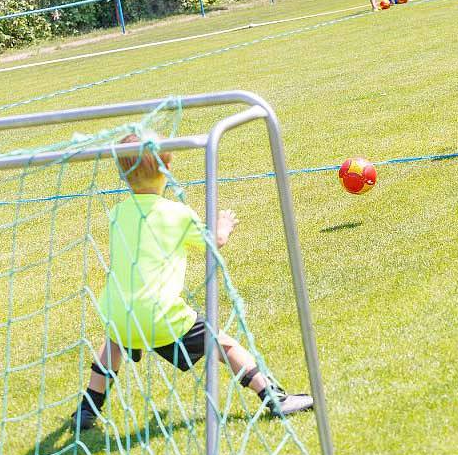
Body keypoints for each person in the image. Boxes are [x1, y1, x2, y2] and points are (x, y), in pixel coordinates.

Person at [71, 133, 314, 430]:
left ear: (122, 174)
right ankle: (274, 397)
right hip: (160, 314)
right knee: (223, 344)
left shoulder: (117, 214)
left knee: (114, 344)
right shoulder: (176, 213)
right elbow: (215, 242)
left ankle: (87, 410)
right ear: (167, 170)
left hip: (117, 311)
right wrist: (222, 226)